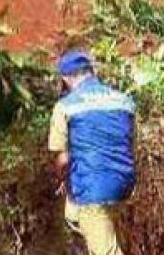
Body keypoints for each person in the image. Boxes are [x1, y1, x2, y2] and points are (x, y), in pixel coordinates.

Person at [48, 51, 136, 255]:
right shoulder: (124, 101)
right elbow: (131, 145)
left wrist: (61, 179)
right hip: (125, 184)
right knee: (74, 215)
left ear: (66, 79)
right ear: (92, 72)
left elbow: (63, 160)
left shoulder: (65, 106)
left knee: (106, 250)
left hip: (92, 190)